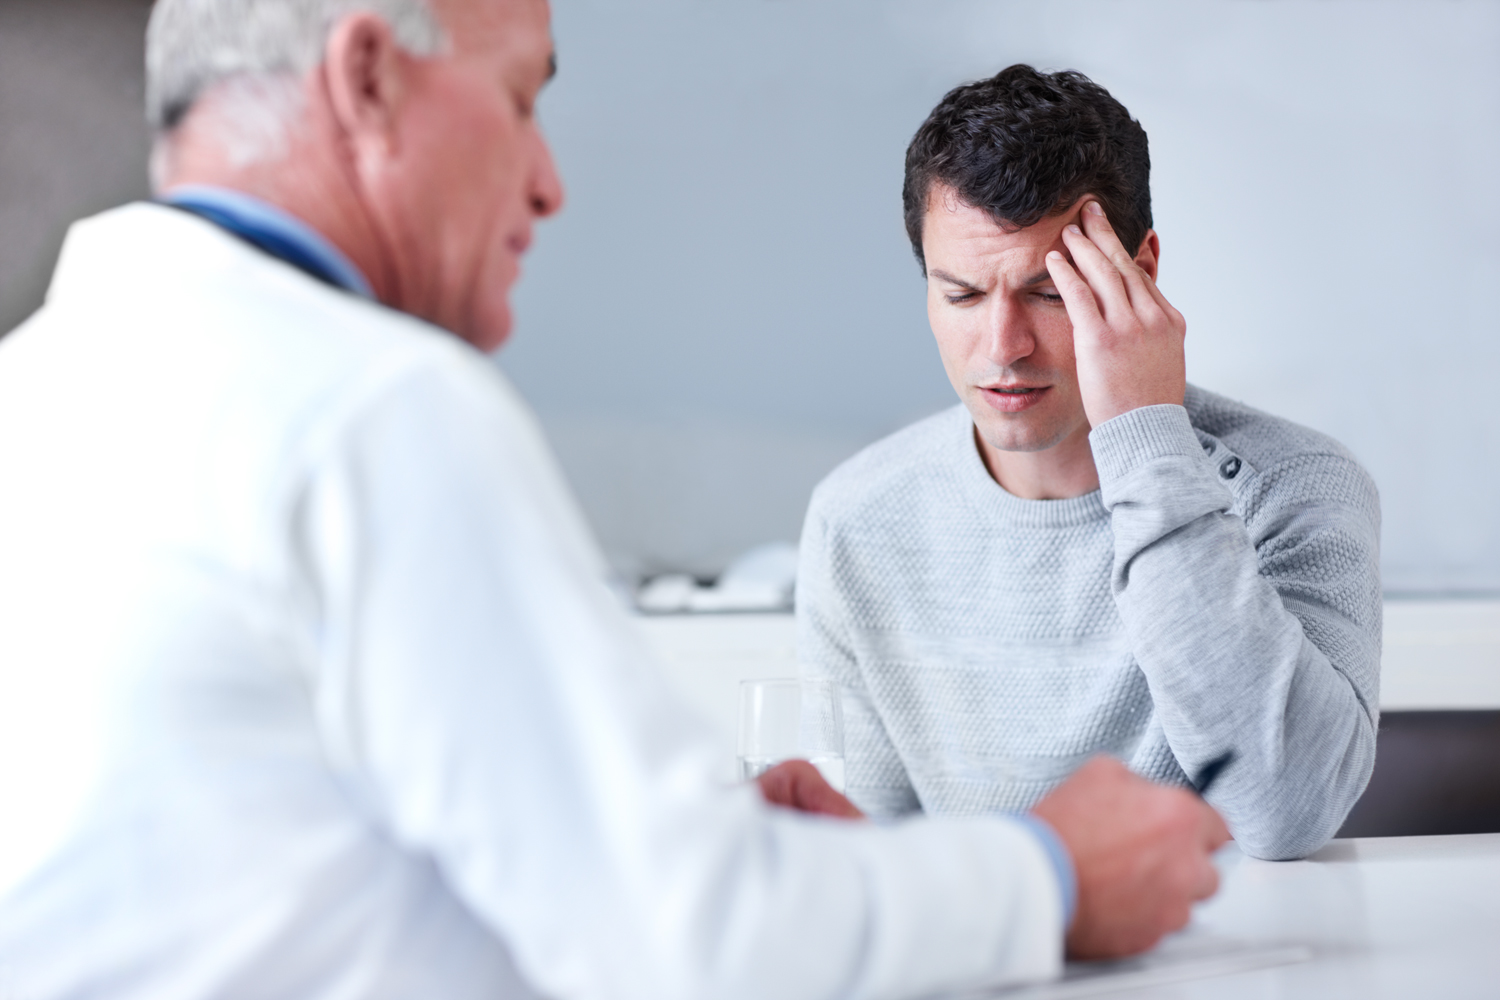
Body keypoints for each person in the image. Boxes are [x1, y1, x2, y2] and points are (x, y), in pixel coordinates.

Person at [0, 7, 1228, 998]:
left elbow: (262, 878)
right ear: (368, 78)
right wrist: (1051, 874)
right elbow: (692, 941)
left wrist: (646, 834)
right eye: (521, 99)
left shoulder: (47, 377)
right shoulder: (374, 407)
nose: (548, 184)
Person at [797, 65, 1382, 862]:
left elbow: (1285, 812)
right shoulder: (859, 517)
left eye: (1047, 293)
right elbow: (862, 863)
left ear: (1140, 272)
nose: (1002, 349)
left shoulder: (1294, 484)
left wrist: (1146, 432)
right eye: (962, 296)